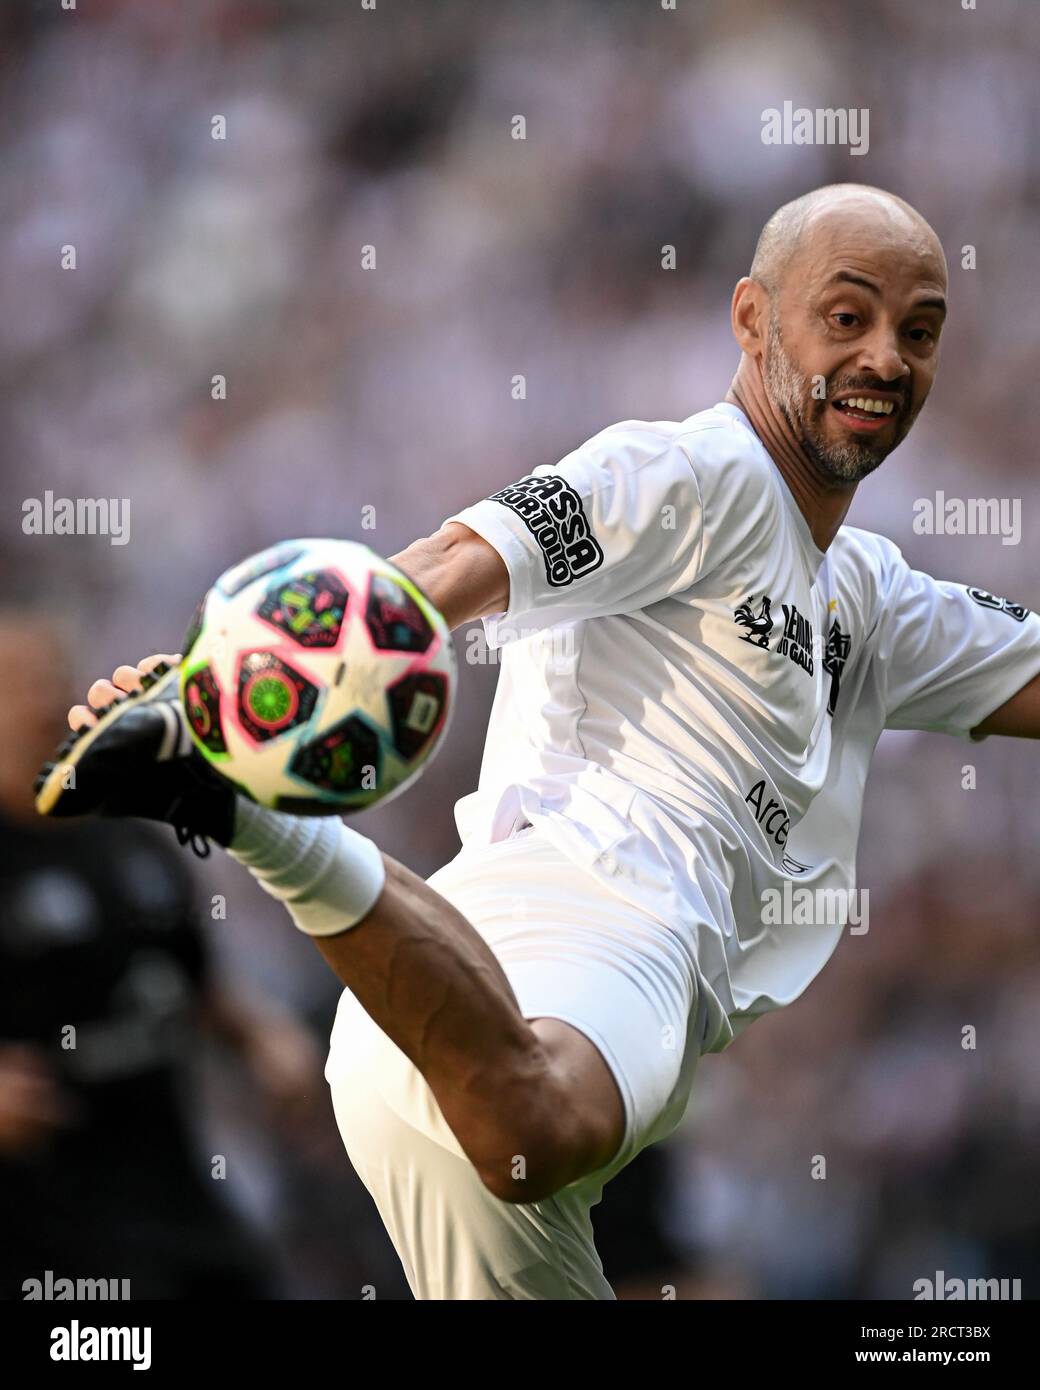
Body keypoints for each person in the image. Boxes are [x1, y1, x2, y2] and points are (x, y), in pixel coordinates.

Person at [37, 184, 1040, 1300]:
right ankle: (266, 829)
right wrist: (229, 697)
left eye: (918, 330)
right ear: (752, 320)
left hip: (442, 1012)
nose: (885, 359)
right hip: (570, 933)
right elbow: (444, 568)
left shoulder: (870, 597)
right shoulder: (692, 471)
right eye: (844, 318)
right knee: (544, 1121)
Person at [2, 609, 322, 1299]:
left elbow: (196, 983)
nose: (39, 699)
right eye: (15, 683)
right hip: (41, 1235)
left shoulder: (129, 840)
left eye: (49, 677)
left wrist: (265, 1039)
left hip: (177, 1200)